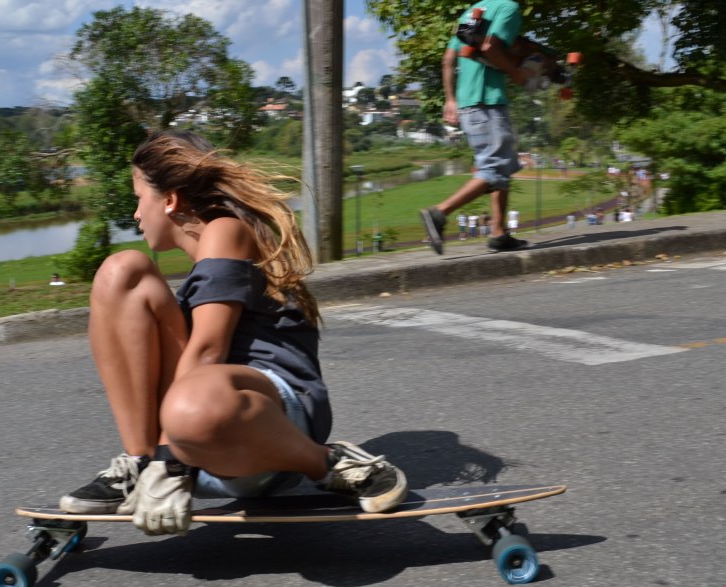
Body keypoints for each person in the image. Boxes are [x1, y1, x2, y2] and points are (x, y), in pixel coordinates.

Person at [58, 130, 408, 535]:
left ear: (169, 200)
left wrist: (170, 461)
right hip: (193, 445)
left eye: (139, 199)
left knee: (193, 402)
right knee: (123, 271)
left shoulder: (227, 232)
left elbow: (208, 351)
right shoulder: (198, 271)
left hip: (271, 428)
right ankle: (140, 465)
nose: (136, 214)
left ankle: (329, 463)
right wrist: (161, 461)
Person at [418, 0, 532, 255]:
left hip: (469, 104)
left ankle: (498, 233)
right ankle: (438, 214)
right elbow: (490, 47)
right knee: (494, 169)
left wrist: (450, 99)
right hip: (487, 102)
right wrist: (514, 72)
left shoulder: (473, 11)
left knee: (502, 165)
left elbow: (448, 59)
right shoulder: (509, 8)